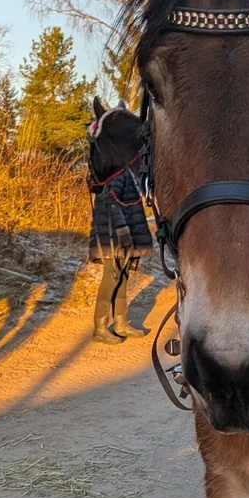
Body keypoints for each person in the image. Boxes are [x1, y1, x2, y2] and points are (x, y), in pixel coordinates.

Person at [86, 97, 153, 342]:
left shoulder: (127, 173)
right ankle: (100, 328)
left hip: (124, 235)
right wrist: (124, 232)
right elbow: (111, 205)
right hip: (113, 234)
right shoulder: (109, 176)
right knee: (111, 276)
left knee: (123, 276)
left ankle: (122, 322)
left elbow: (130, 206)